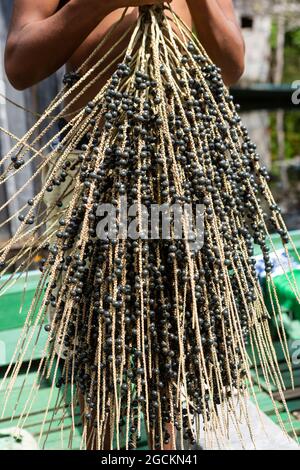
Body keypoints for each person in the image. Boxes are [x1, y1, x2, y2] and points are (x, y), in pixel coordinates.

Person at [4, 0, 245, 450]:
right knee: (97, 351)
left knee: (173, 342)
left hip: (174, 174)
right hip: (93, 175)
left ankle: (168, 445)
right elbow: (19, 64)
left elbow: (231, 65)